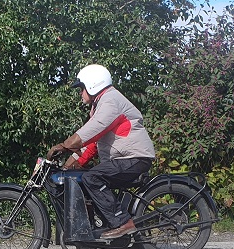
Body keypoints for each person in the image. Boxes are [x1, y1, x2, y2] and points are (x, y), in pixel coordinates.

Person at [47, 64, 156, 239]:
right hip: (126, 158)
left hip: (134, 158)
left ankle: (122, 222)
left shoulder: (110, 100)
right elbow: (92, 144)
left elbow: (94, 129)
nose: (80, 93)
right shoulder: (102, 103)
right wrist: (70, 165)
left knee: (92, 178)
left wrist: (65, 145)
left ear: (93, 85)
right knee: (83, 177)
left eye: (81, 88)